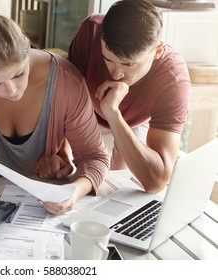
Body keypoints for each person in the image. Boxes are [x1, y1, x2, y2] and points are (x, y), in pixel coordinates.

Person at [0, 14, 109, 215]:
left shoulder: (65, 79)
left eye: (18, 74)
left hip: (41, 212)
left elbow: (94, 156)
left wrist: (73, 191)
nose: (11, 90)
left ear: (27, 48)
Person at [68, 0, 190, 194]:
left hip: (134, 121)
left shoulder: (173, 79)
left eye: (129, 64)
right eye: (108, 59)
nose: (115, 74)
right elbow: (64, 101)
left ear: (157, 51)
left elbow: (156, 182)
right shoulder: (91, 31)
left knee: (121, 186)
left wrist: (113, 113)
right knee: (74, 177)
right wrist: (59, 154)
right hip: (84, 110)